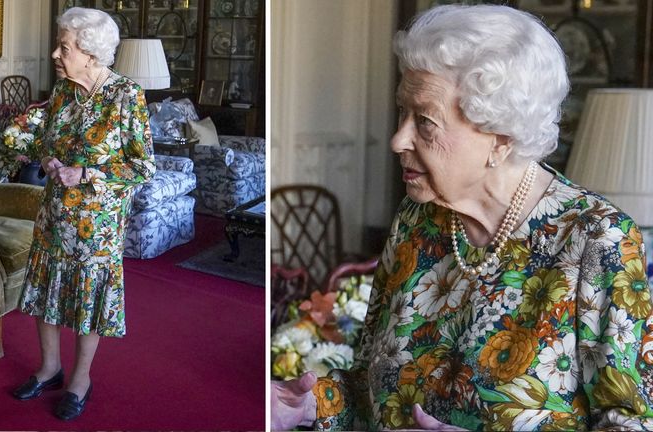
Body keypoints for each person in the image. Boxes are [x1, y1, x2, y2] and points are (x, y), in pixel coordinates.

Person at [271, 4, 653, 431]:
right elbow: (369, 386)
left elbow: (631, 423)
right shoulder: (417, 219)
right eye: (403, 112)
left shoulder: (598, 241)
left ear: (501, 139)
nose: (398, 139)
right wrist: (309, 404)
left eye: (426, 122)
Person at [11, 7, 155, 421]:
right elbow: (48, 142)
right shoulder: (62, 92)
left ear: (91, 54)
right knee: (47, 294)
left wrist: (87, 172)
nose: (56, 54)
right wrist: (50, 160)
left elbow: (143, 167)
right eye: (59, 44)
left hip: (98, 226)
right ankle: (49, 368)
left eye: (65, 47)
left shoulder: (126, 95)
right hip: (55, 216)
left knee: (87, 302)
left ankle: (80, 379)